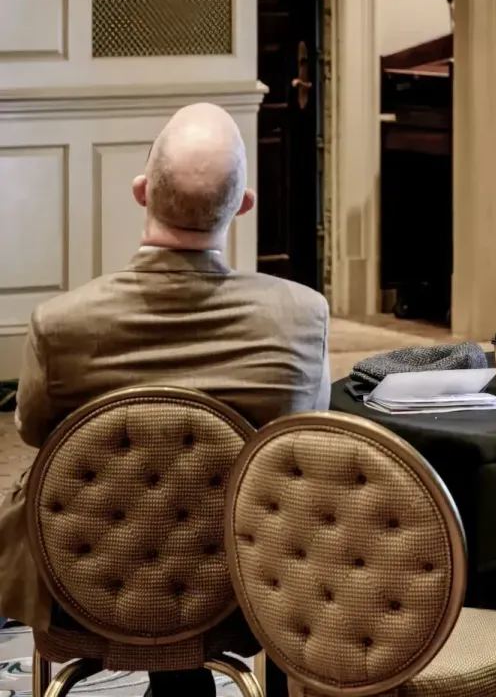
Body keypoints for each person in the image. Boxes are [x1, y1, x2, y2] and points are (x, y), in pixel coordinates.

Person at [0, 104, 330, 695]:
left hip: (83, 587)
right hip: (248, 593)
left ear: (141, 191)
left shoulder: (59, 324)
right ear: (243, 205)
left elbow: (30, 433)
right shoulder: (300, 318)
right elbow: (304, 438)